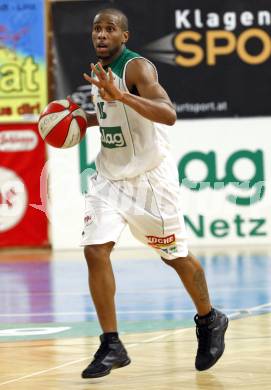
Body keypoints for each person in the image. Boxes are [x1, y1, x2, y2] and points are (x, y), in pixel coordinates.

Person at [80, 8, 228, 379]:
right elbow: (114, 114)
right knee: (95, 249)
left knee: (174, 256)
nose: (101, 34)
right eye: (97, 28)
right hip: (109, 177)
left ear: (124, 36)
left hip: (149, 181)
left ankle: (210, 318)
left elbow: (167, 113)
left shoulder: (138, 69)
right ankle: (111, 343)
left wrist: (122, 96)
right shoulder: (99, 71)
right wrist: (84, 119)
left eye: (109, 29)